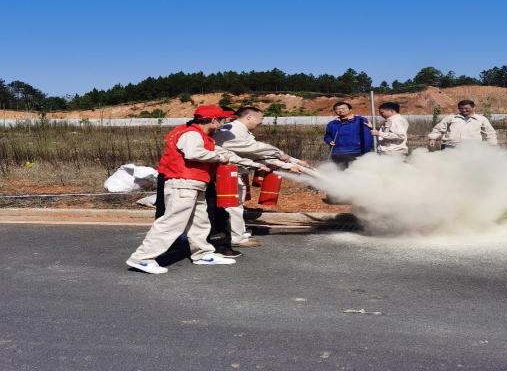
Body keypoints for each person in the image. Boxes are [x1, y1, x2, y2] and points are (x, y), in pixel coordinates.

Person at [126, 105, 269, 274]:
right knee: (173, 222)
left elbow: (224, 153)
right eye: (222, 120)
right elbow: (193, 153)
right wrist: (221, 158)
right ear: (213, 120)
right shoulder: (191, 134)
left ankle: (203, 254)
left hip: (195, 183)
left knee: (199, 221)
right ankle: (142, 258)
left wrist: (253, 164)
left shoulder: (203, 136)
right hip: (183, 182)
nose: (225, 123)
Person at [213, 106, 308, 246]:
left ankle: (234, 233)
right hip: (226, 173)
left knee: (235, 205)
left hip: (234, 172)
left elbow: (258, 155)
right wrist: (282, 156)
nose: (262, 122)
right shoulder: (231, 130)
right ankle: (235, 237)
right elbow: (255, 150)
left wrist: (291, 163)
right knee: (233, 205)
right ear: (249, 117)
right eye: (261, 118)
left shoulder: (242, 131)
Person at [428, 99, 498, 149]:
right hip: (451, 148)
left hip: (473, 149)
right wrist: (432, 139)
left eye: (466, 108)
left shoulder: (481, 119)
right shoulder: (451, 118)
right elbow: (438, 129)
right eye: (461, 108)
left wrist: (492, 146)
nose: (464, 110)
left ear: (473, 107)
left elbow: (490, 133)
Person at [324, 101, 373, 169]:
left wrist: (366, 151)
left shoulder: (360, 120)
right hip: (337, 153)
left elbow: (367, 137)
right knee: (339, 174)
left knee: (356, 174)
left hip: (356, 152)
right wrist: (329, 140)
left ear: (350, 109)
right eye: (337, 109)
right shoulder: (332, 124)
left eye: (343, 108)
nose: (340, 110)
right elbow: (327, 135)